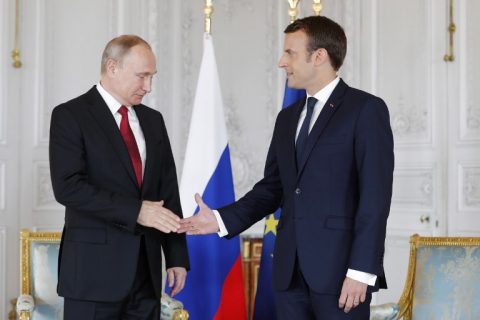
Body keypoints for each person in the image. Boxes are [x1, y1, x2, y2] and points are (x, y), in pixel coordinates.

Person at [179, 16, 394, 319]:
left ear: (319, 56)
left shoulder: (366, 110)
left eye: (290, 53)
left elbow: (375, 197)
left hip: (342, 274)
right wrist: (220, 219)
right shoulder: (288, 118)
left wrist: (361, 271)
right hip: (288, 275)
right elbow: (273, 188)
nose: (282, 62)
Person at [49, 35, 189, 319]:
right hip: (92, 277)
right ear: (112, 67)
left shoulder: (153, 120)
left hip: (146, 277)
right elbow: (68, 188)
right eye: (142, 76)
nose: (148, 87)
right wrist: (137, 211)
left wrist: (176, 257)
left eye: (152, 77)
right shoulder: (70, 115)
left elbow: (168, 190)